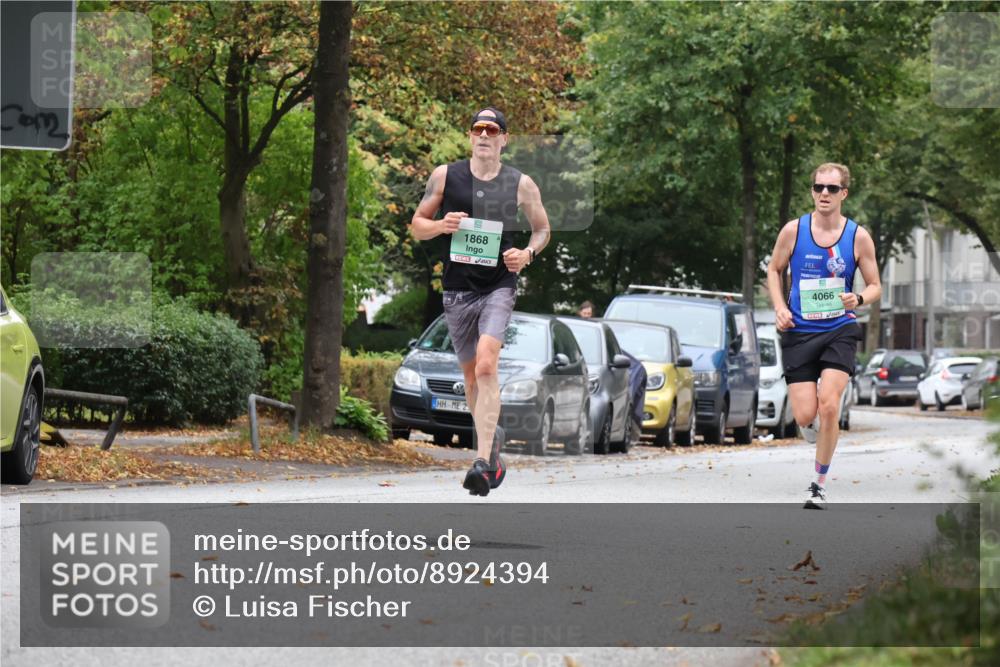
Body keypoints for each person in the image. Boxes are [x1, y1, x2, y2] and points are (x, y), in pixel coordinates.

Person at [409, 107, 551, 497]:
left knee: (487, 365)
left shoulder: (521, 184)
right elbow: (417, 225)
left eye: (493, 129)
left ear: (504, 138)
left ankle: (482, 462)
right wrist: (440, 225)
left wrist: (526, 255)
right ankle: (494, 450)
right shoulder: (445, 175)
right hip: (457, 290)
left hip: (498, 286)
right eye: (478, 129)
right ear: (470, 136)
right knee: (471, 377)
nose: (484, 134)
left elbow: (542, 230)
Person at [766, 163, 882, 509]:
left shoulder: (858, 236)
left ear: (844, 193)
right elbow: (774, 269)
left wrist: (858, 298)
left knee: (829, 405)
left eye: (832, 189)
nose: (824, 194)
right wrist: (779, 307)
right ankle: (817, 433)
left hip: (839, 329)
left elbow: (876, 285)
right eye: (818, 188)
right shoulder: (794, 230)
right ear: (812, 191)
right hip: (799, 331)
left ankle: (818, 484)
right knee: (804, 415)